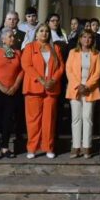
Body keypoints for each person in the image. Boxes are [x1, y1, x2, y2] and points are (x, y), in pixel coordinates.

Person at [21, 24, 65, 158]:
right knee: (33, 120)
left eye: (46, 31)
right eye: (41, 31)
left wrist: (53, 80)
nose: (44, 33)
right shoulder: (30, 47)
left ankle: (49, 147)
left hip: (51, 88)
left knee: (49, 120)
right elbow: (26, 65)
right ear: (36, 34)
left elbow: (61, 67)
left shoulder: (55, 48)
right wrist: (40, 80)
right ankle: (32, 148)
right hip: (34, 87)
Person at [0, 29, 24, 160]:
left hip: (12, 90)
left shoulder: (18, 53)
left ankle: (5, 147)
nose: (12, 38)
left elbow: (21, 71)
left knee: (8, 119)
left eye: (13, 36)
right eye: (10, 36)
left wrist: (15, 86)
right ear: (3, 39)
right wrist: (1, 87)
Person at [65, 30, 100, 158]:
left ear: (92, 40)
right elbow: (69, 70)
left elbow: (98, 72)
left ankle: (87, 146)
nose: (87, 40)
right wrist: (78, 85)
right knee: (76, 118)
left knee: (88, 118)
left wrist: (87, 85)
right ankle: (75, 146)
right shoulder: (73, 52)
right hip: (75, 88)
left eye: (89, 37)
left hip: (90, 89)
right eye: (84, 37)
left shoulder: (96, 54)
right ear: (80, 39)